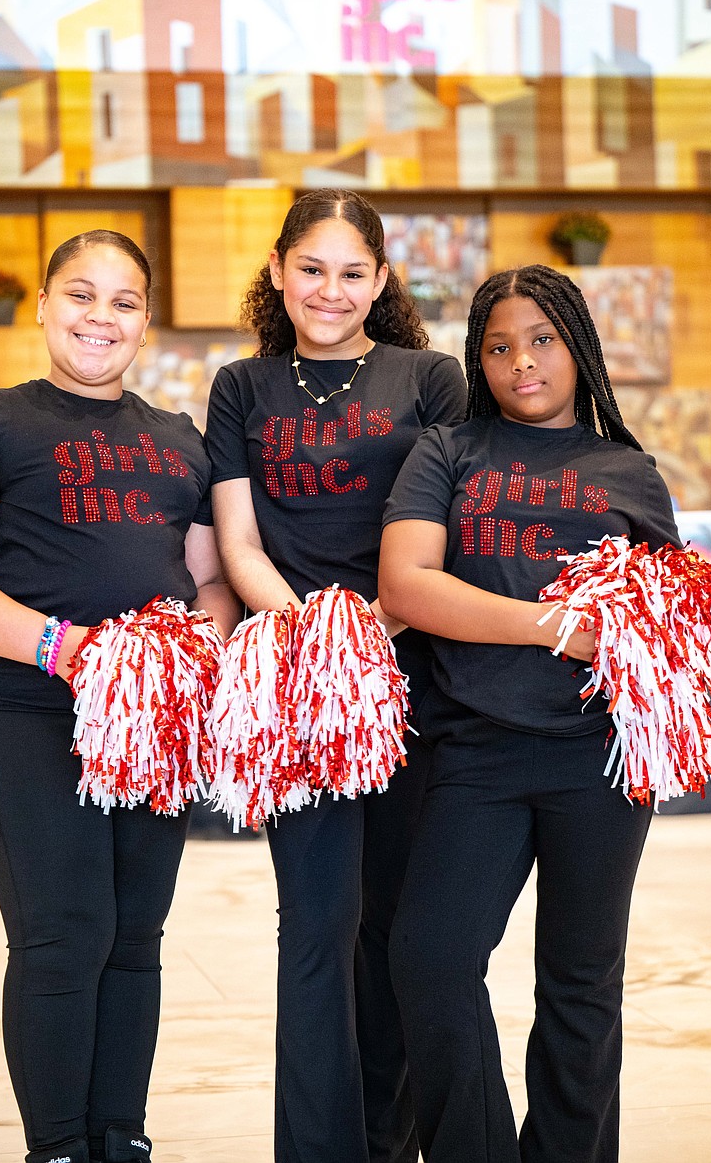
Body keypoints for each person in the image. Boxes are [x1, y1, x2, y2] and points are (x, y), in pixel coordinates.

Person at [378, 263, 711, 1162]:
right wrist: (560, 627)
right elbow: (408, 585)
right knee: (428, 960)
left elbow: (672, 611)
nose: (521, 362)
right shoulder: (449, 454)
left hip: (598, 758)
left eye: (542, 340)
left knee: (581, 984)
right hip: (473, 752)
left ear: (578, 346)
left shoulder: (629, 470)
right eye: (498, 346)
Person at [0, 230, 239, 1163]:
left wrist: (182, 652)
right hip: (22, 714)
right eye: (81, 295)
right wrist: (74, 650)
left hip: (150, 725)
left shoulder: (179, 441)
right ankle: (55, 1148)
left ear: (146, 323)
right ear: (44, 305)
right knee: (65, 930)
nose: (101, 316)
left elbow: (209, 583)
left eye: (124, 301)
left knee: (134, 935)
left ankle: (119, 1139)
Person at [204, 187, 468, 1163]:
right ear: (277, 271)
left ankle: (387, 1143)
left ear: (381, 280)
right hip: (300, 687)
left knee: (395, 929)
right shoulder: (242, 386)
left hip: (417, 685)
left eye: (352, 271)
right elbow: (237, 538)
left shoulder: (429, 377)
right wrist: (317, 632)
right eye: (310, 268)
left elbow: (453, 530)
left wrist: (379, 623)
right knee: (315, 925)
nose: (330, 289)